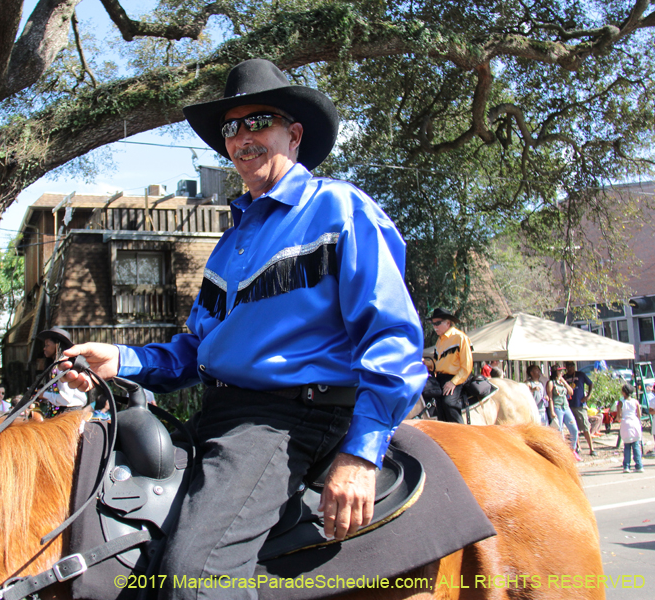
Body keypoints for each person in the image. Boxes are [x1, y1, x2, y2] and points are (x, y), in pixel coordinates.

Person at [60, 58, 425, 599]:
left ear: (294, 135)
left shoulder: (340, 207)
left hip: (290, 419)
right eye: (231, 127)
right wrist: (121, 359)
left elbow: (392, 336)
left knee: (193, 579)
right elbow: (197, 350)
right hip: (220, 414)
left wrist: (361, 452)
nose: (241, 137)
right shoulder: (230, 243)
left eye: (258, 121)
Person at [430, 307, 473, 424]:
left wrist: (453, 382)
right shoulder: (439, 340)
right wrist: (425, 362)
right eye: (433, 324)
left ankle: (460, 430)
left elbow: (467, 366)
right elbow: (438, 363)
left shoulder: (460, 337)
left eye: (438, 323)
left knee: (449, 403)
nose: (435, 327)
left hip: (456, 378)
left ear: (448, 323)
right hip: (440, 378)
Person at [36, 327, 87, 412]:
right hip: (62, 410)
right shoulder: (55, 366)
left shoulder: (64, 366)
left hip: (69, 412)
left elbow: (65, 399)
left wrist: (43, 394)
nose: (44, 348)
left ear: (57, 345)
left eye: (47, 345)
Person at [547, 365, 581, 461]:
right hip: (557, 407)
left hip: (566, 407)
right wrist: (552, 411)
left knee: (574, 429)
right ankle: (561, 452)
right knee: (559, 430)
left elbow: (571, 392)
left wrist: (564, 382)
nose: (562, 373)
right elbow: (550, 398)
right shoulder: (551, 383)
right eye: (560, 371)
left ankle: (572, 450)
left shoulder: (562, 382)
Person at [564, 361, 597, 456]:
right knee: (574, 427)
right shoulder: (564, 377)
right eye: (568, 366)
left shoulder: (580, 375)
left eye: (572, 366)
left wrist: (588, 396)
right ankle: (578, 447)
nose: (570, 368)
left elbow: (590, 383)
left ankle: (591, 448)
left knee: (585, 427)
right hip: (569, 405)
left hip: (579, 404)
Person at [615, 383, 644, 473]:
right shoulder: (635, 402)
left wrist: (616, 419)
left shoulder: (621, 403)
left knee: (627, 446)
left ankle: (626, 466)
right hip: (634, 422)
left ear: (624, 392)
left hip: (626, 423)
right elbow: (639, 415)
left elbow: (619, 416)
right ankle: (639, 465)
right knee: (636, 445)